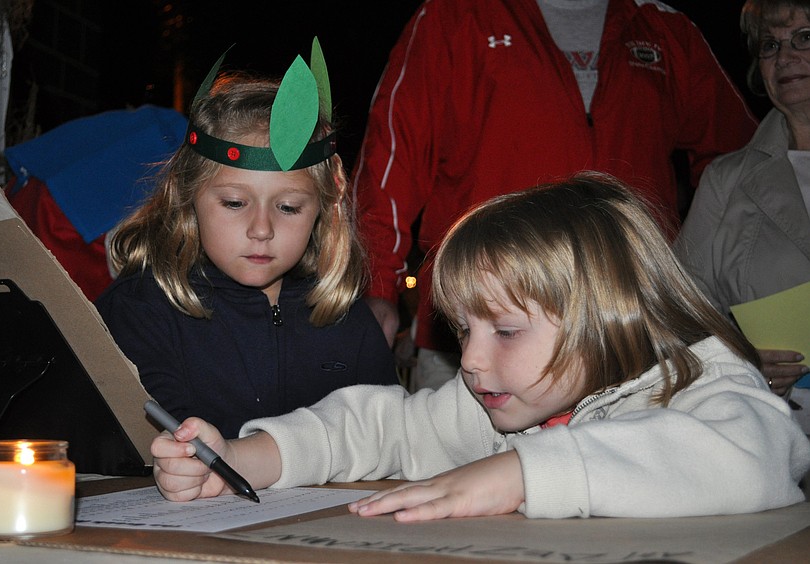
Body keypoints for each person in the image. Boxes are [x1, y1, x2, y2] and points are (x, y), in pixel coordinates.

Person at [150, 173, 810, 520]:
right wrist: (238, 458)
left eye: (506, 330)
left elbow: (757, 459)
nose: (468, 359)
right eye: (465, 328)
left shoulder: (699, 380)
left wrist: (523, 473)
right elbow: (381, 427)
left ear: (605, 316)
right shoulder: (496, 400)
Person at [352, 0, 760, 391]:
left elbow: (745, 169)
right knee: (462, 461)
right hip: (475, 330)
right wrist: (376, 287)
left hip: (631, 331)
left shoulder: (665, 27)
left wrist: (721, 294)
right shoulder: (454, 15)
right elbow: (389, 160)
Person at [95, 43, 398, 438]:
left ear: (323, 207)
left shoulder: (349, 322)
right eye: (235, 202)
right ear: (189, 195)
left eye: (288, 207)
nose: (261, 228)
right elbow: (150, 446)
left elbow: (390, 439)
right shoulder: (141, 311)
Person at [673, 0, 810, 404]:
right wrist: (736, 363)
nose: (784, 57)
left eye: (804, 38)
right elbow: (678, 317)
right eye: (769, 45)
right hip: (783, 427)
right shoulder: (725, 180)